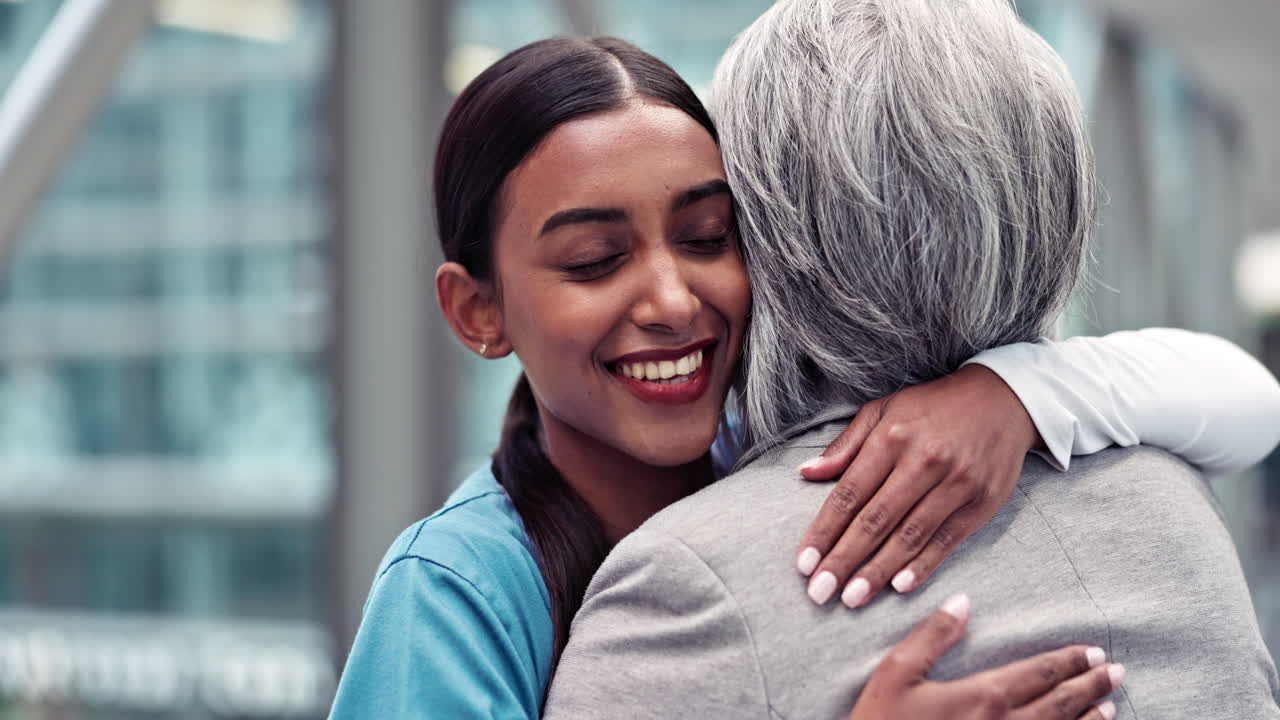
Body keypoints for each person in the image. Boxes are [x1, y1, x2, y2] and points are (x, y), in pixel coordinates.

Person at [329, 31, 1280, 720]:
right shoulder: (455, 594)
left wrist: (1018, 395)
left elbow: (1245, 399)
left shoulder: (788, 450)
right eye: (592, 260)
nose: (671, 299)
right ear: (477, 311)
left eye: (709, 238)